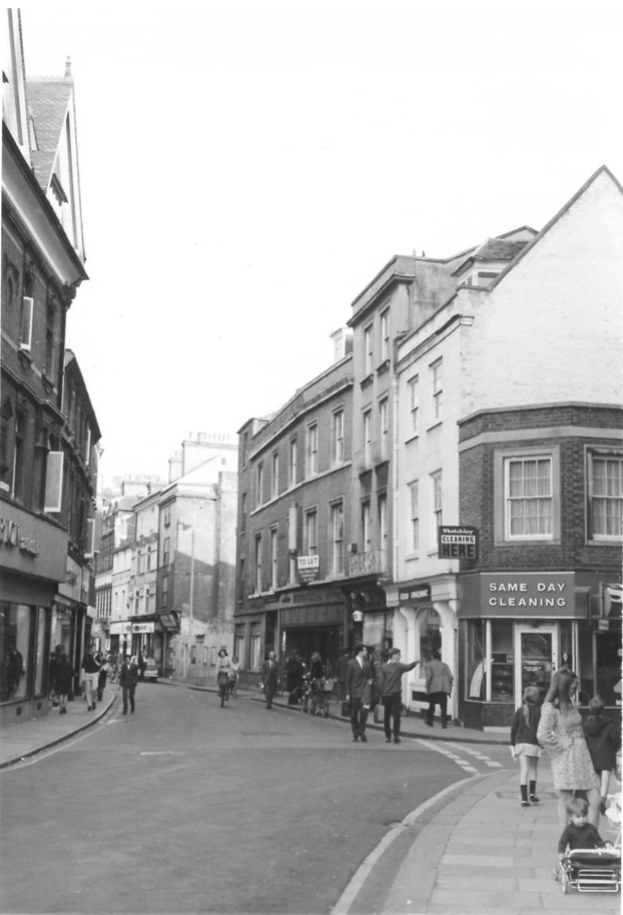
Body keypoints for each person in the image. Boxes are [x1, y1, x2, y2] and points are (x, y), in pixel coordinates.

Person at [537, 668, 600, 829]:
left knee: (593, 798)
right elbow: (542, 734)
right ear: (563, 686)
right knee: (566, 798)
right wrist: (560, 743)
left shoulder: (570, 703)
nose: (575, 690)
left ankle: (591, 837)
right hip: (565, 758)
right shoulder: (550, 707)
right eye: (573, 687)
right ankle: (565, 838)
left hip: (582, 756)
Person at [583, 694, 622, 814]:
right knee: (605, 778)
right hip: (606, 755)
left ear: (590, 708)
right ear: (603, 708)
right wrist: (614, 749)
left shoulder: (586, 724)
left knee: (596, 778)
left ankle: (596, 798)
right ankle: (602, 800)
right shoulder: (609, 724)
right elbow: (616, 739)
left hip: (592, 755)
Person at [510, 685, 542, 806]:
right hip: (534, 744)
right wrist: (543, 744)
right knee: (533, 768)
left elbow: (513, 729)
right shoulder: (539, 711)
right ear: (536, 697)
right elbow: (541, 729)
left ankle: (524, 799)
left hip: (521, 743)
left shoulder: (520, 710)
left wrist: (513, 744)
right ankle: (532, 794)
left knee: (524, 771)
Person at [380, 649, 419, 744]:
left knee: (392, 716)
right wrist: (416, 662)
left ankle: (392, 736)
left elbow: (380, 682)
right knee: (392, 716)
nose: (400, 656)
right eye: (398, 654)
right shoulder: (394, 666)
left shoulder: (393, 666)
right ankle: (391, 736)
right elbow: (409, 667)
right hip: (391, 694)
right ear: (393, 655)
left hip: (391, 694)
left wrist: (416, 662)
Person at [557, 796, 610, 861]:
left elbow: (598, 840)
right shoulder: (569, 830)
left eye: (584, 816)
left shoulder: (590, 828)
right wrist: (561, 853)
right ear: (570, 817)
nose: (582, 819)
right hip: (575, 856)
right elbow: (563, 842)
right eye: (578, 817)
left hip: (590, 855)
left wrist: (602, 847)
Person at [346, 644, 373, 742]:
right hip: (354, 691)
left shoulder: (367, 663)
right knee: (354, 714)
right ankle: (355, 733)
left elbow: (371, 675)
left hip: (365, 692)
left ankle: (361, 731)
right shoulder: (351, 663)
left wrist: (371, 680)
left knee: (364, 713)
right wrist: (347, 693)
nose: (366, 652)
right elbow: (348, 679)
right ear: (360, 652)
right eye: (365, 650)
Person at [424, 650, 454, 729]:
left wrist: (427, 687)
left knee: (431, 705)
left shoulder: (429, 664)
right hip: (444, 689)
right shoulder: (445, 665)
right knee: (444, 707)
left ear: (432, 657)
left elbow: (429, 677)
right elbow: (451, 677)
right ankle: (444, 724)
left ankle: (430, 721)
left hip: (433, 688)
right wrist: (449, 687)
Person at [80, 644, 101, 711]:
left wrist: (94, 659)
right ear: (90, 649)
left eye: (95, 648)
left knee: (94, 689)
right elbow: (83, 666)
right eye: (93, 648)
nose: (95, 649)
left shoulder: (97, 656)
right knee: (88, 690)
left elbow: (99, 665)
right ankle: (89, 705)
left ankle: (94, 701)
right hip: (87, 674)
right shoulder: (86, 656)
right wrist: (83, 676)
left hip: (95, 673)